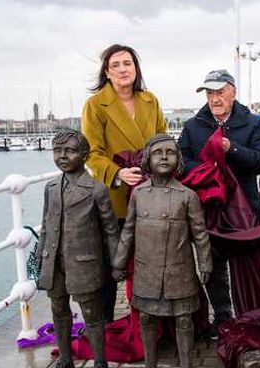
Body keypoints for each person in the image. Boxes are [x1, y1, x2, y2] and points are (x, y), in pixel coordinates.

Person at [112, 134, 212, 368]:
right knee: (146, 317)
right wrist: (119, 263)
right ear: (147, 160)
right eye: (158, 153)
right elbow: (128, 232)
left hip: (179, 270)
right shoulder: (139, 195)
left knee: (183, 320)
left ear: (178, 159)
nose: (164, 157)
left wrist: (205, 263)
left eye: (170, 152)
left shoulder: (187, 196)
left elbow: (200, 235)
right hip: (147, 270)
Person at [178, 69, 260, 329]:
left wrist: (232, 149)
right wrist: (205, 170)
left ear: (233, 91)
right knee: (212, 267)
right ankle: (222, 318)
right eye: (210, 93)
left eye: (220, 92)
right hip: (208, 209)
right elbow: (179, 162)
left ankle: (251, 316)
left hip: (244, 209)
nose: (214, 98)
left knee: (247, 266)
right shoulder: (193, 126)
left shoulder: (252, 123)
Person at [82, 44, 167, 322]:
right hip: (114, 199)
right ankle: (104, 325)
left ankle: (148, 323)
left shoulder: (150, 100)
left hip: (150, 196)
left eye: (127, 63)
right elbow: (91, 154)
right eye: (115, 64)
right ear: (106, 71)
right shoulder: (95, 105)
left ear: (136, 68)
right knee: (111, 266)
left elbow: (164, 142)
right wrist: (117, 173)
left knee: (148, 263)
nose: (122, 69)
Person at [36, 130, 120, 368]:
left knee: (92, 315)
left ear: (84, 156)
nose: (62, 156)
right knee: (58, 311)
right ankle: (64, 359)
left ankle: (100, 362)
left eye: (69, 151)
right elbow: (45, 225)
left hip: (85, 263)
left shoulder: (97, 190)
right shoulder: (50, 188)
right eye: (57, 151)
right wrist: (40, 255)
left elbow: (110, 231)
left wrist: (117, 264)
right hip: (55, 263)